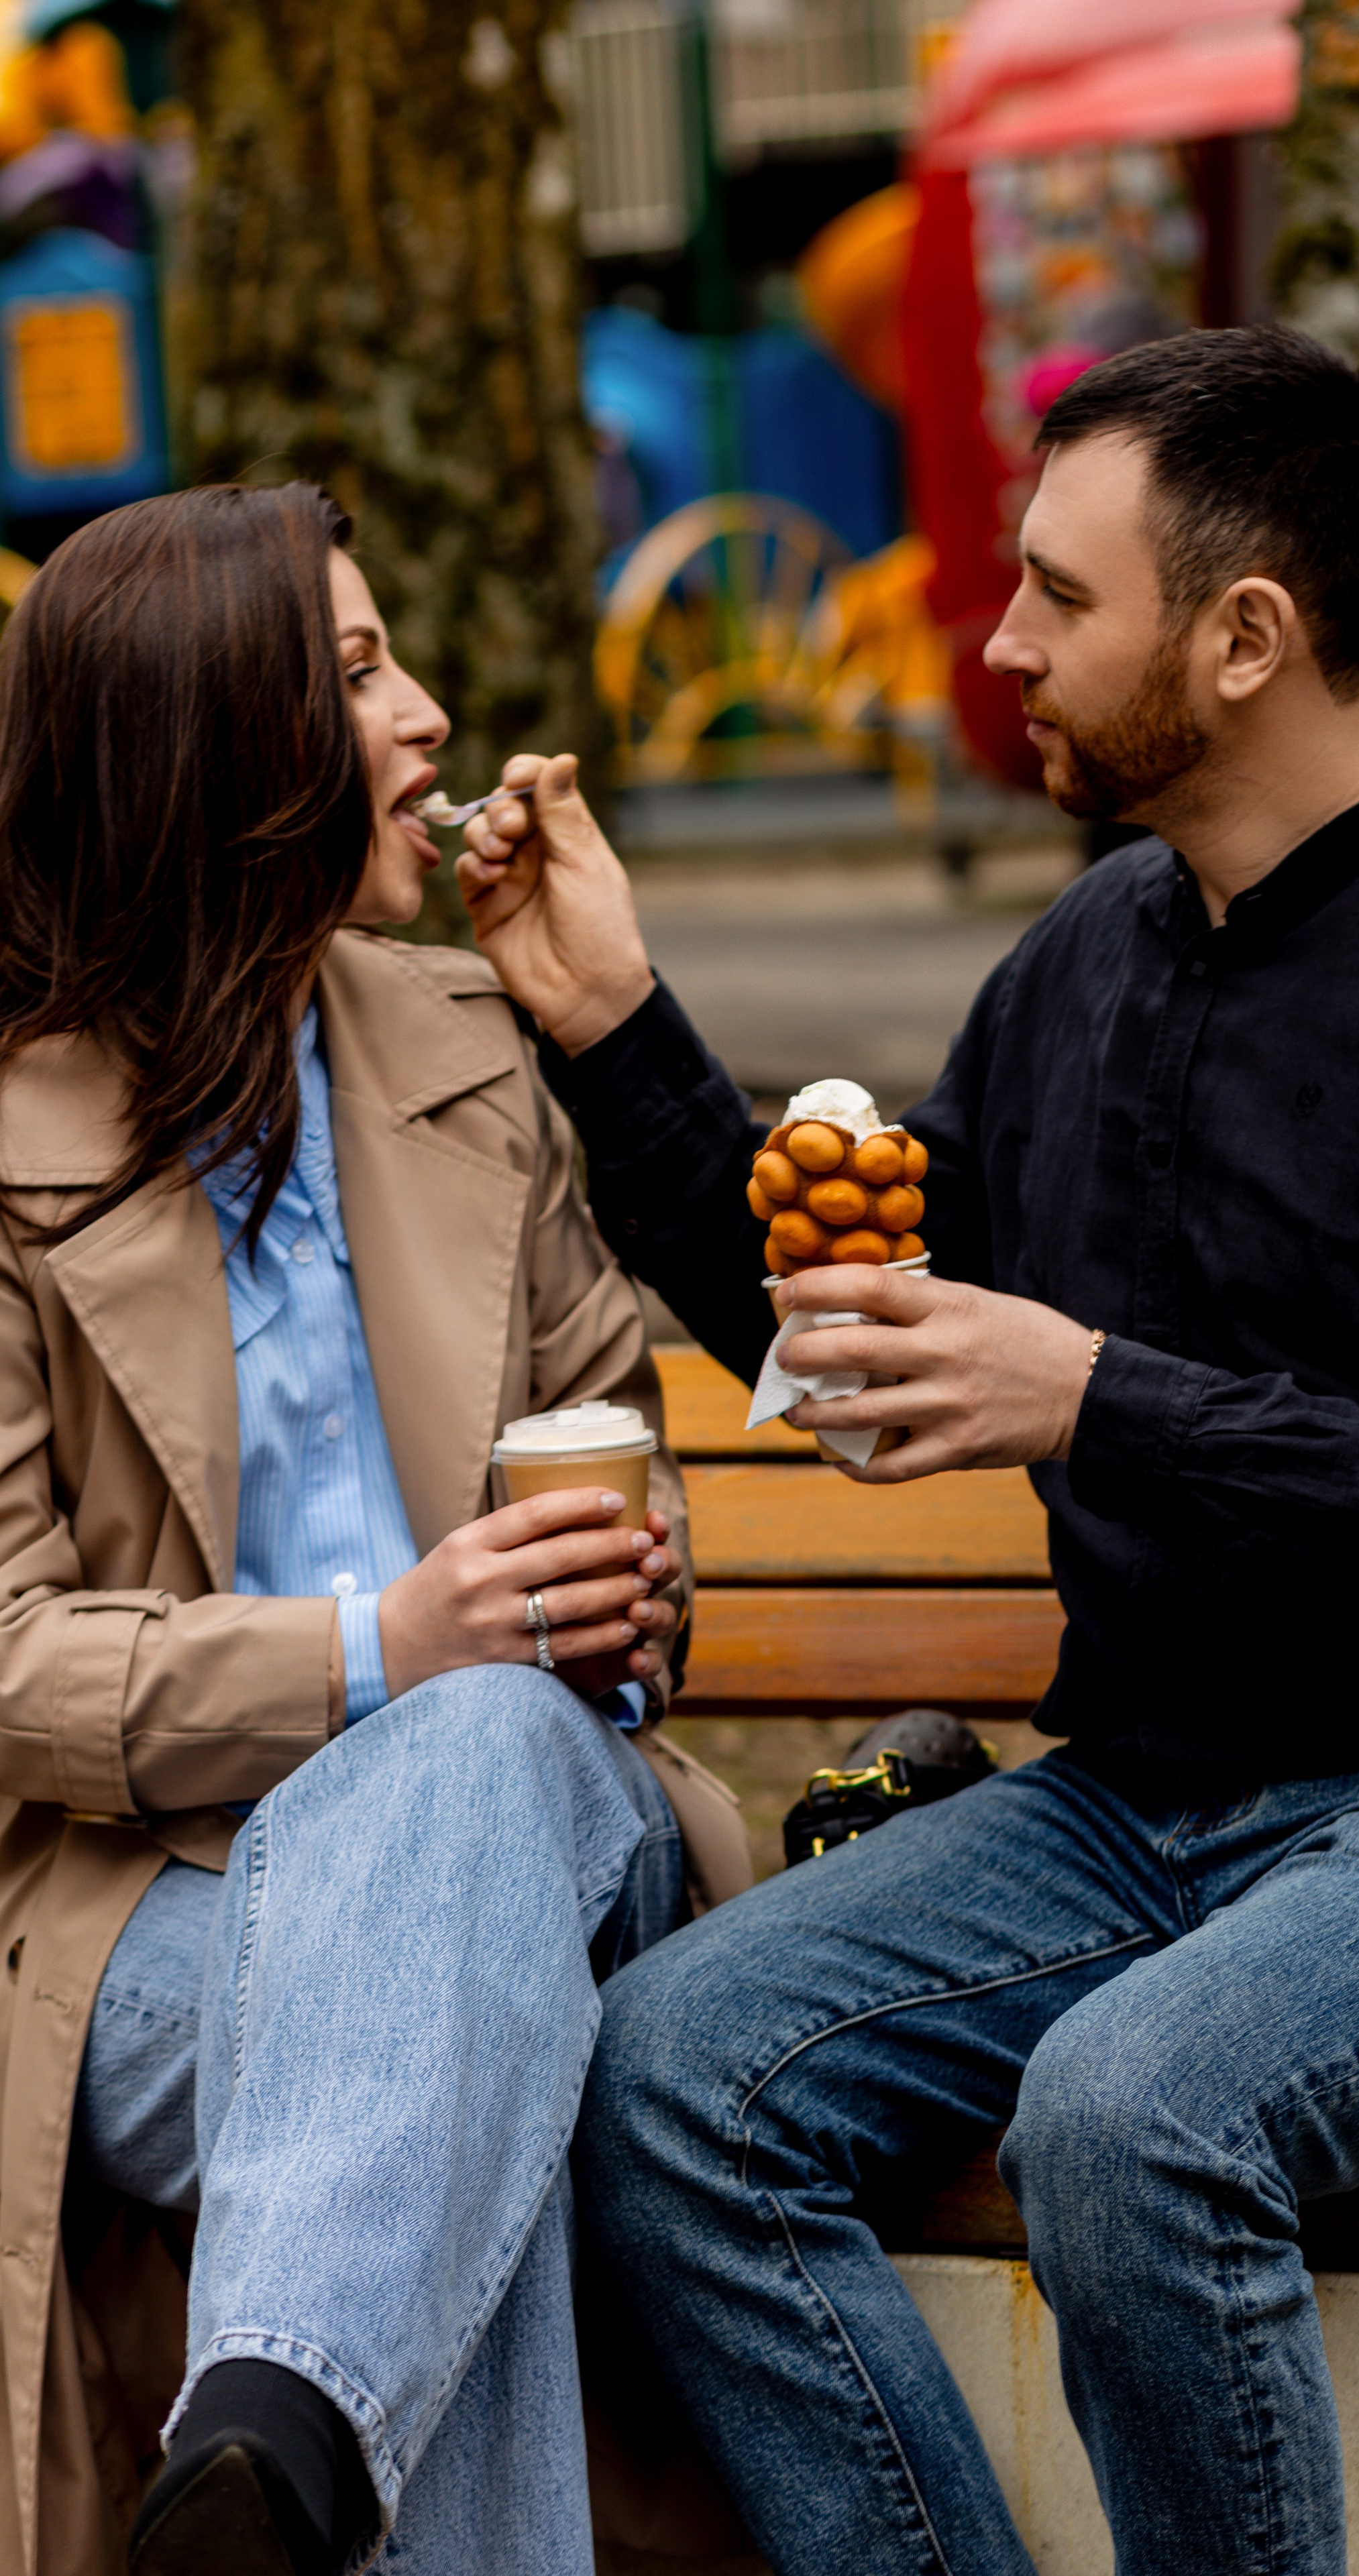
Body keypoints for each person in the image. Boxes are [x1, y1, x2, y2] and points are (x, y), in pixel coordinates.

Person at [458, 322, 1359, 2576]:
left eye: (1057, 591)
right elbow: (837, 1326)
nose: (999, 643)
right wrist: (610, 1020)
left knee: (1129, 2115)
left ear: (1246, 637)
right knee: (664, 2082)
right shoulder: (1085, 961)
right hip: (1141, 1801)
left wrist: (1096, 1394)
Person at [0, 482, 747, 2576]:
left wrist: (630, 1586)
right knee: (442, 2064)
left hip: (559, 1822)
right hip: (151, 1901)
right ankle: (298, 2442)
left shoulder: (468, 1038)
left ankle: (278, 2418)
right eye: (354, 674)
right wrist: (372, 1651)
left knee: (480, 1777)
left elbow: (625, 1438)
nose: (426, 715)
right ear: (209, 749)